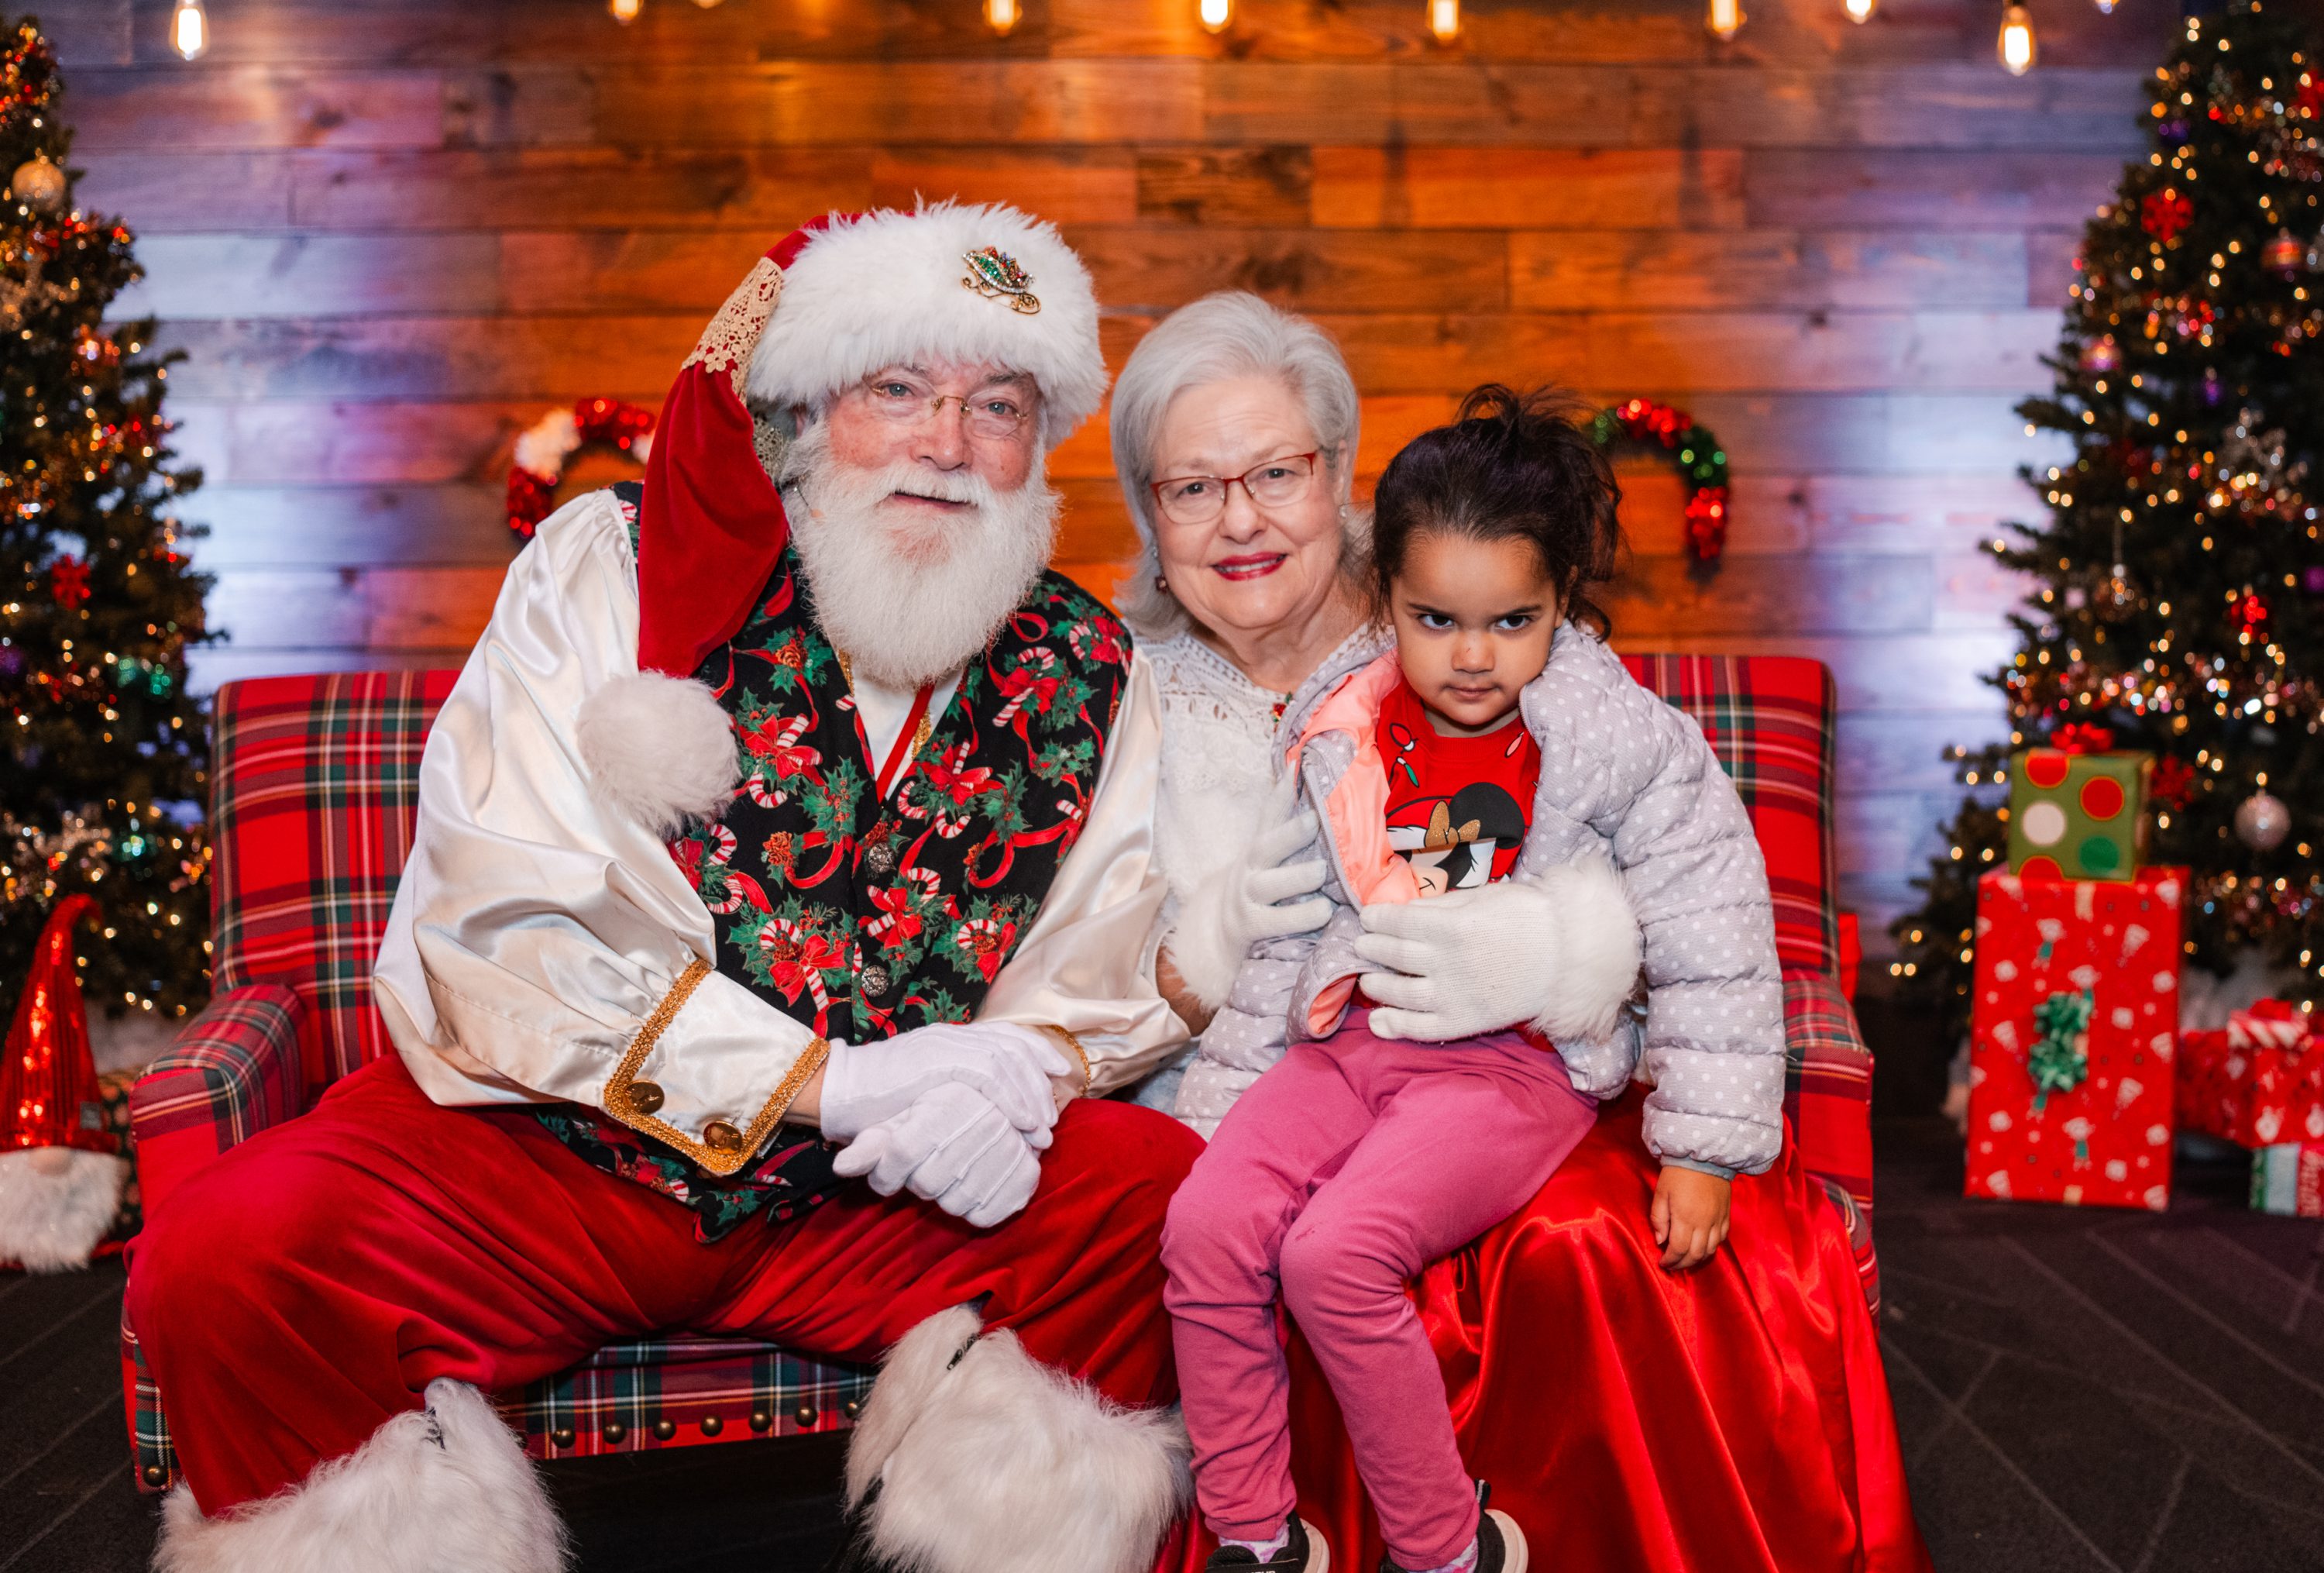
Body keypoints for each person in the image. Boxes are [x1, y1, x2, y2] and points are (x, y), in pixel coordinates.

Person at [125, 202, 1205, 1573]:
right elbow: (502, 919)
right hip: (545, 1156)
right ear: (809, 410)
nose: (947, 443)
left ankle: (1003, 1538)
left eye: (996, 405)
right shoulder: (607, 570)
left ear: (1037, 444)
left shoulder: (1090, 664)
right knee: (226, 1250)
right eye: (898, 390)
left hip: (864, 1198)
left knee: (1164, 1203)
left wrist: (1008, 1080)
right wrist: (831, 1081)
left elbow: (1113, 939)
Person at [1162, 387, 1783, 1573]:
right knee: (1205, 1222)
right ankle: (1253, 1531)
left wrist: (1705, 1145)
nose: (1471, 654)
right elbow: (1290, 936)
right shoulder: (1341, 723)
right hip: (1351, 1041)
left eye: (1512, 620)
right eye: (1435, 617)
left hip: (1511, 1069)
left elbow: (1714, 930)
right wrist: (1218, 1110)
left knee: (1333, 1255)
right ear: (1387, 594)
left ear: (1563, 600)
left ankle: (1449, 1547)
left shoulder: (1623, 741)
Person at [1109, 297, 1632, 1131]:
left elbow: (1685, 902)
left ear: (1339, 471)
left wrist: (1562, 952)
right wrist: (1209, 951)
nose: (1241, 520)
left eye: (1277, 473)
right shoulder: (1107, 696)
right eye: (1194, 487)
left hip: (1477, 1108)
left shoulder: (1464, 643)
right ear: (1150, 513)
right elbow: (1063, 1012)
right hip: (1207, 1128)